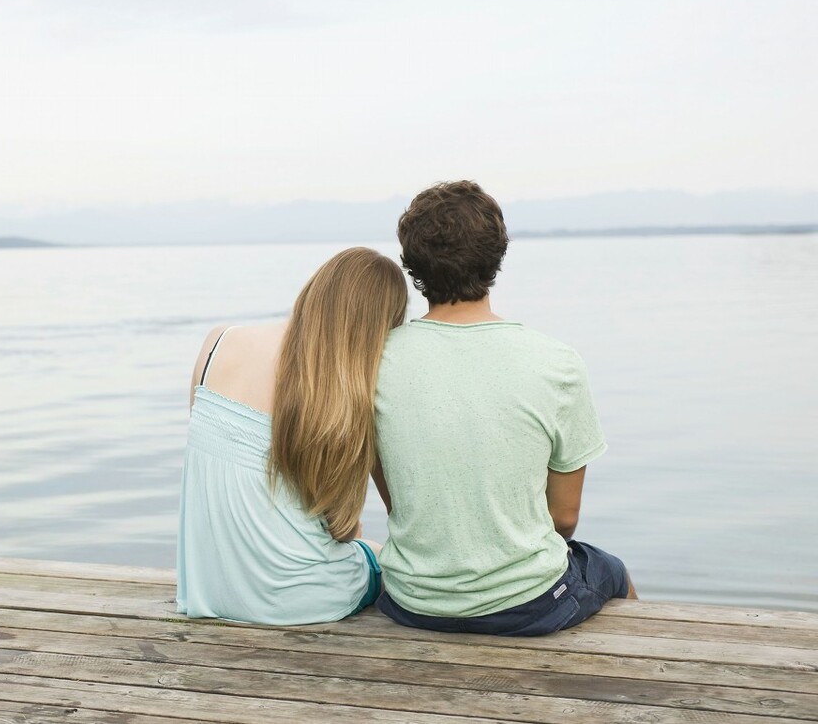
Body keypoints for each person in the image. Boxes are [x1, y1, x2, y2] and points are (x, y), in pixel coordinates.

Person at [374, 180, 636, 637]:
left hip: (411, 600)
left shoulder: (372, 361)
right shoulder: (556, 362)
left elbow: (400, 498)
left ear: (412, 263)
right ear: (498, 255)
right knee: (611, 570)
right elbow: (564, 520)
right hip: (527, 604)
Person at [176, 247, 408, 624]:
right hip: (300, 599)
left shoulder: (217, 342)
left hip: (211, 592)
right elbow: (343, 527)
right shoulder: (339, 396)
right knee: (378, 554)